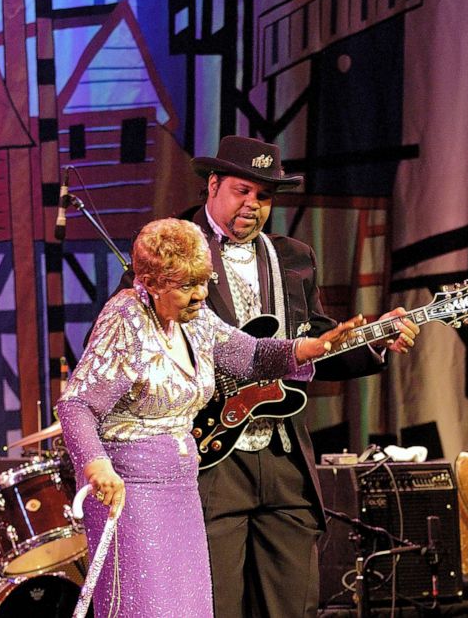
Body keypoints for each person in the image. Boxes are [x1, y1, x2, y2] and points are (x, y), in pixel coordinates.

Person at [56, 218, 358, 617]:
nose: (200, 295)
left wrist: (309, 348)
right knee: (151, 608)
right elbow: (75, 405)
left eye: (204, 281)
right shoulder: (126, 317)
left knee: (191, 608)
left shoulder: (194, 320)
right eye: (186, 286)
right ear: (149, 281)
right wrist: (97, 468)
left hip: (182, 486)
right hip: (130, 491)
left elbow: (249, 355)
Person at [188, 135, 419, 617]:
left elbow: (316, 344)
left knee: (293, 605)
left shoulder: (293, 258)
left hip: (283, 456)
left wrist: (371, 341)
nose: (253, 205)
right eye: (242, 190)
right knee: (213, 607)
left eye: (265, 196)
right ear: (213, 185)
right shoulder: (174, 248)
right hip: (209, 457)